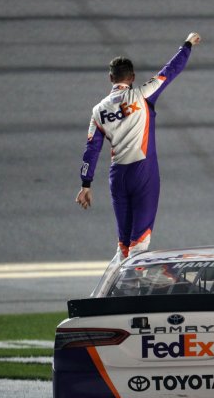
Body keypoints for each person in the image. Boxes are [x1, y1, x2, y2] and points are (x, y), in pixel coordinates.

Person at [76, 32, 201, 258]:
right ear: (132, 77)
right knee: (139, 244)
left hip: (117, 177)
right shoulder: (142, 95)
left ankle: (114, 286)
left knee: (123, 244)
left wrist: (86, 184)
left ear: (110, 78)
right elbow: (169, 71)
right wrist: (187, 45)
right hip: (142, 172)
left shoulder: (98, 111)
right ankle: (134, 286)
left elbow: (91, 150)